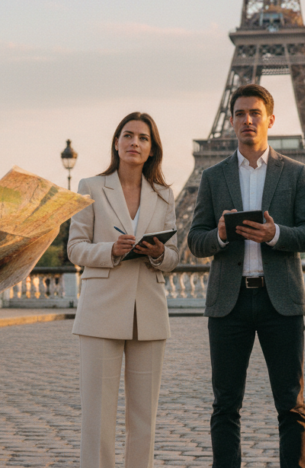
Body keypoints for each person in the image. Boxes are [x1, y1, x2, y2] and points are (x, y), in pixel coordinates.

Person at [188, 84, 305, 468]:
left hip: (279, 301)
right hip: (228, 303)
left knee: (290, 403)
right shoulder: (213, 176)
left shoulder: (296, 172)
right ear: (231, 121)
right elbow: (195, 241)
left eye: (255, 113)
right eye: (241, 113)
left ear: (270, 120)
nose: (248, 120)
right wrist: (220, 235)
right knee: (225, 404)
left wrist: (274, 234)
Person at [67, 112, 180, 468]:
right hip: (101, 311)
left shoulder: (164, 195)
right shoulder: (90, 187)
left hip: (148, 311)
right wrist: (110, 250)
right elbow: (75, 247)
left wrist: (160, 253)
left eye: (143, 138)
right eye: (128, 135)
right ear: (116, 143)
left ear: (152, 149)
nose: (135, 143)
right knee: (97, 418)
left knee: (144, 419)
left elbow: (174, 257)